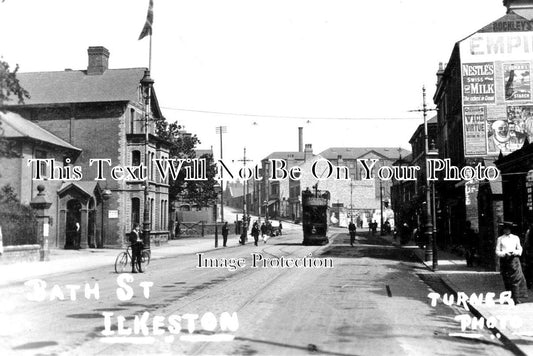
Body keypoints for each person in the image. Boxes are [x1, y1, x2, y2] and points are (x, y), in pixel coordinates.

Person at [496, 222, 528, 304]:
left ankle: (516, 298)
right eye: (505, 229)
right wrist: (504, 253)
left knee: (516, 279)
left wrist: (515, 252)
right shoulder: (500, 239)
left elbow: (520, 249)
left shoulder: (515, 238)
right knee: (507, 279)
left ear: (510, 229)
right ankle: (509, 298)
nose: (506, 230)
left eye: (508, 229)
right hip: (505, 261)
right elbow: (497, 251)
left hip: (514, 261)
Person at [524, 224, 533, 289]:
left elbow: (526, 242)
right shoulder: (529, 231)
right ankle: (529, 283)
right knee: (530, 268)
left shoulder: (529, 231)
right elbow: (526, 242)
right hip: (531, 250)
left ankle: (529, 283)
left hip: (531, 250)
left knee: (530, 268)